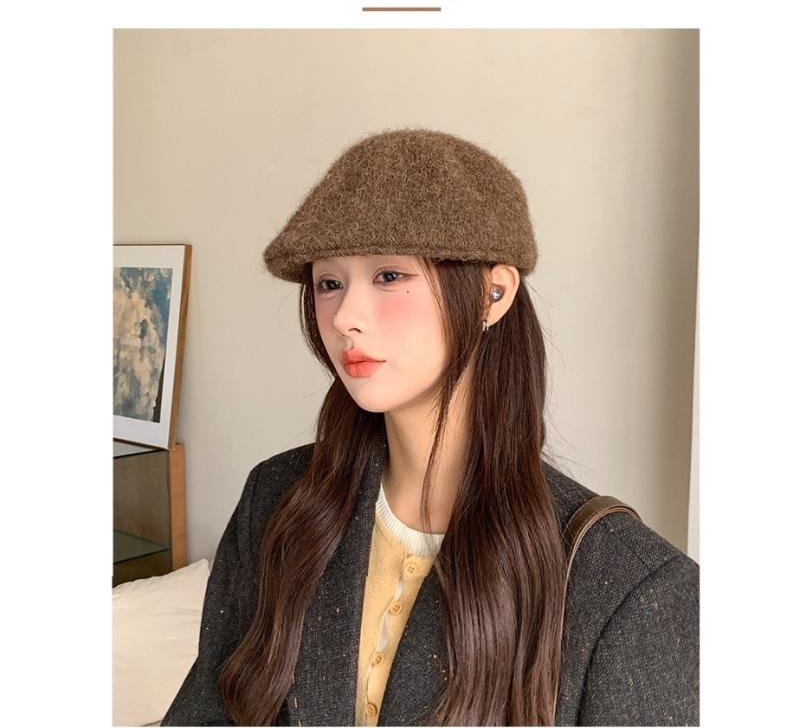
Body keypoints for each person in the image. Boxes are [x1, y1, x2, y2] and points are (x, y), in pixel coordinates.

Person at [161, 128, 699, 726]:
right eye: (329, 283)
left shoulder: (628, 587)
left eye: (389, 276)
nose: (344, 317)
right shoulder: (278, 501)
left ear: (493, 293)